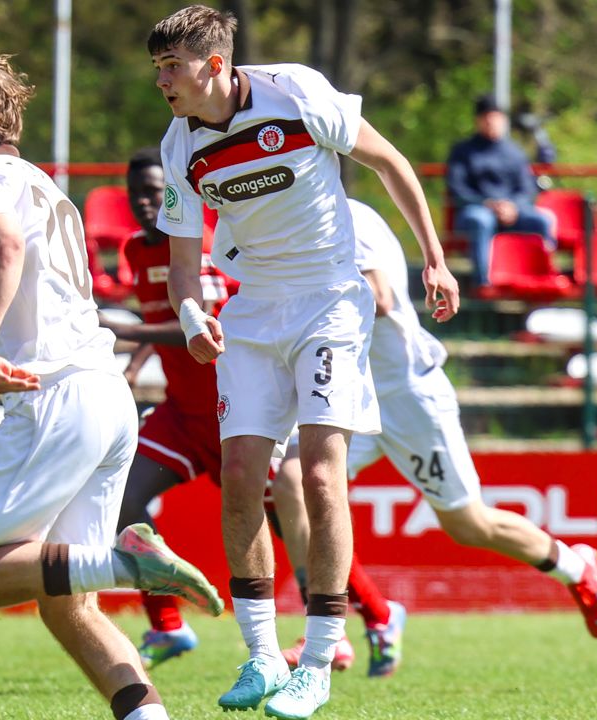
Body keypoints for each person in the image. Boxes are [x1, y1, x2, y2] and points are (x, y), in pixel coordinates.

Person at [0, 54, 222, 720]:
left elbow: (1, 244)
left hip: (55, 403)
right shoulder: (46, 186)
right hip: (110, 400)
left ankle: (124, 563)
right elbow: (20, 302)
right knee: (67, 604)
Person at [147, 5, 462, 718]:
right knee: (239, 481)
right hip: (253, 313)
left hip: (329, 300)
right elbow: (182, 266)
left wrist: (434, 263)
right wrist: (194, 317)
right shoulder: (178, 147)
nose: (162, 81)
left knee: (320, 474)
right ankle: (260, 657)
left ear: (215, 65)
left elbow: (390, 162)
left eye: (172, 67)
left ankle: (318, 660)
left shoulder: (297, 93)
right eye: (157, 69)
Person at [267, 198, 597, 673]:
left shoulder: (348, 215)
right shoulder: (289, 218)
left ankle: (576, 567)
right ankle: (326, 627)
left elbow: (380, 295)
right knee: (292, 484)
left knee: (467, 524)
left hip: (407, 394)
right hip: (350, 392)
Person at [107, 151, 393, 675]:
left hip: (235, 412)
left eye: (154, 190)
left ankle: (375, 613)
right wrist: (138, 358)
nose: (147, 202)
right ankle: (168, 624)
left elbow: (209, 325)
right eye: (137, 193)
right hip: (181, 416)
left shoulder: (208, 244)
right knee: (118, 500)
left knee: (293, 525)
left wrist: (129, 334)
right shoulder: (132, 249)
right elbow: (165, 315)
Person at [447, 94, 555, 285]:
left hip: (512, 211)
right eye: (487, 117)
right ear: (478, 121)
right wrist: (487, 204)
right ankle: (483, 282)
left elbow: (527, 189)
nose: (491, 122)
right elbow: (457, 189)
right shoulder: (463, 152)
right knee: (481, 220)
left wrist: (513, 206)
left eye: (496, 117)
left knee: (542, 221)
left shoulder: (515, 152)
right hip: (477, 210)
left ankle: (542, 277)